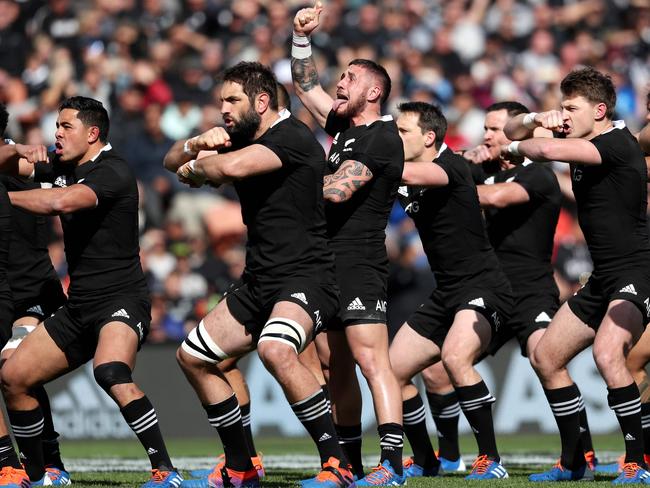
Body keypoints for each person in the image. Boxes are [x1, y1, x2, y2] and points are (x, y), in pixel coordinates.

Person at [163, 61, 354, 488]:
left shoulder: (293, 136)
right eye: (221, 102)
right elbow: (169, 160)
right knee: (193, 357)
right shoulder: (240, 137)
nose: (224, 109)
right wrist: (197, 142)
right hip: (260, 279)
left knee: (276, 350)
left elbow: (226, 170)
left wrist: (199, 165)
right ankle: (241, 466)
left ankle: (336, 463)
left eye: (233, 100)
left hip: (306, 277)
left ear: (262, 101)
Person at [0, 96, 182, 488]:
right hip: (79, 307)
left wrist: (4, 198)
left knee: (110, 371)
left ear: (93, 133)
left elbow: (61, 201)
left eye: (66, 126)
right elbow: (11, 163)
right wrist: (15, 149)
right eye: (57, 126)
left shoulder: (113, 171)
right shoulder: (62, 165)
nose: (57, 133)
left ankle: (166, 471)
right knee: (13, 377)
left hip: (121, 300)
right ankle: (43, 473)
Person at [410, 101, 599, 475]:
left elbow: (495, 197)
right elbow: (451, 166)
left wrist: (450, 183)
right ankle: (449, 456)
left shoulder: (538, 175)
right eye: (486, 128)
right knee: (435, 369)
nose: (488, 136)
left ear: (519, 134)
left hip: (531, 293)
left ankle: (581, 455)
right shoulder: (481, 169)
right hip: (489, 290)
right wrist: (464, 162)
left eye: (495, 129)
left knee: (550, 361)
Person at [504, 67, 650, 483]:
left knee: (609, 355)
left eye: (572, 107)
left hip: (636, 272)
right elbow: (517, 127)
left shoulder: (617, 144)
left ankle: (638, 464)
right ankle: (575, 463)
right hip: (604, 277)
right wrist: (536, 119)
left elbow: (546, 153)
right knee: (545, 357)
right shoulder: (581, 140)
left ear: (599, 110)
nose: (563, 115)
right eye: (562, 106)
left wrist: (522, 147)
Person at [292, 4, 406, 485]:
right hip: (325, 261)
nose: (339, 83)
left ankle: (393, 464)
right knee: (332, 364)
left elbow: (338, 190)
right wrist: (300, 38)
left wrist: (286, 182)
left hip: (359, 262)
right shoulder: (343, 127)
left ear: (373, 91)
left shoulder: (382, 138)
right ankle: (351, 464)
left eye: (350, 78)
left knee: (369, 359)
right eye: (339, 76)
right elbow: (303, 86)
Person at [388, 101, 513, 480]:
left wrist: (365, 157)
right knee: (392, 371)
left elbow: (407, 173)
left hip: (484, 286)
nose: (396, 137)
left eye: (402, 131)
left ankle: (491, 460)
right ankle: (428, 459)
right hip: (447, 292)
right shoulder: (411, 173)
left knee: (456, 358)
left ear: (429, 137)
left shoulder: (451, 167)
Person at [0, 105, 71, 486]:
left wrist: (23, 149)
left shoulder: (24, 163)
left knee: (15, 367)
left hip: (33, 292)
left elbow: (11, 156)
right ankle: (12, 466)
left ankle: (50, 465)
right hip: (4, 292)